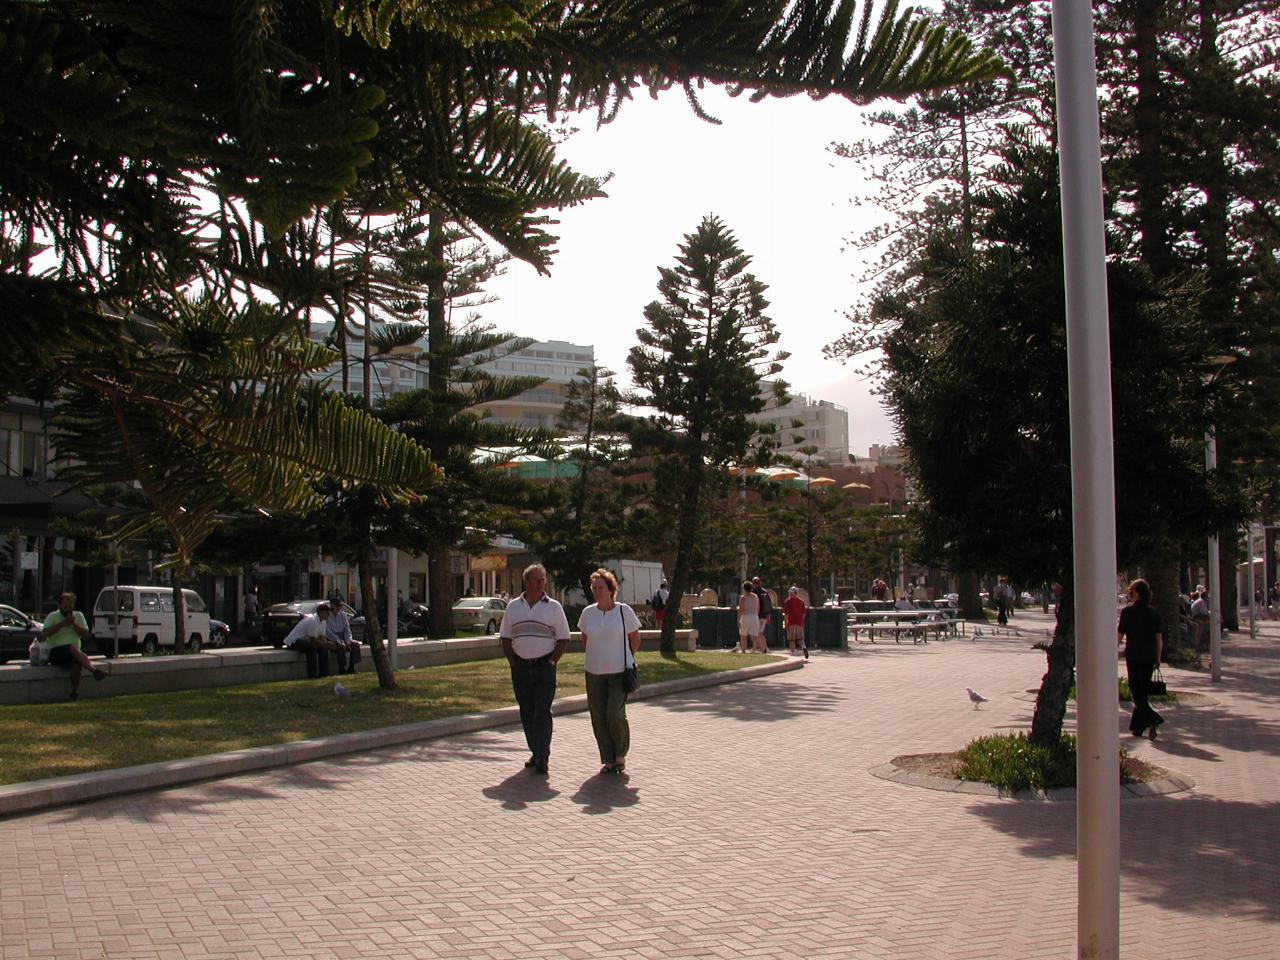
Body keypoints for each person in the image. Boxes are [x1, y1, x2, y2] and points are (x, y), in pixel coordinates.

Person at [500, 563, 571, 775]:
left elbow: (563, 638)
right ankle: (536, 750)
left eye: (543, 580)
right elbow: (505, 636)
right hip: (521, 668)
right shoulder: (513, 606)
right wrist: (513, 663)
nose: (541, 584)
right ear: (526, 582)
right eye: (537, 580)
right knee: (527, 712)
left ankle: (543, 756)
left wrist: (551, 662)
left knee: (542, 711)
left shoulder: (554, 607)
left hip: (544, 668)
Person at [577, 569, 642, 775]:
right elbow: (585, 639)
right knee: (598, 716)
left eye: (601, 588)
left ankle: (620, 753)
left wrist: (626, 656)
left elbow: (634, 638)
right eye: (594, 588)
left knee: (614, 713)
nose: (597, 592)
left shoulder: (624, 611)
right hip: (594, 672)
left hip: (619, 672)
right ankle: (608, 759)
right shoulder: (588, 613)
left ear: (611, 589)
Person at [1117, 578, 1164, 739]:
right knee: (1142, 691)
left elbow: (1119, 635)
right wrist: (1158, 657)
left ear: (1136, 593)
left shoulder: (1127, 612)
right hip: (1149, 656)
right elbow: (1159, 638)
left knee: (1136, 690)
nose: (1129, 595)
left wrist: (1112, 652)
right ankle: (1137, 728)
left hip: (1134, 656)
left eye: (1130, 592)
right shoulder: (1154, 613)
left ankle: (1154, 719)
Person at [42, 592, 107, 701]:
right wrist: (63, 623)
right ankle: (94, 671)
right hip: (56, 652)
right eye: (65, 607)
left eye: (70, 607)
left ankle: (74, 692)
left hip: (74, 653)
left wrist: (73, 624)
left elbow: (86, 634)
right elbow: (45, 634)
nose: (67, 609)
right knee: (71, 648)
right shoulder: (53, 616)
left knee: (76, 666)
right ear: (60, 606)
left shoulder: (79, 616)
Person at [282, 602, 334, 679]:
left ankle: (324, 673)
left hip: (306, 640)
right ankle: (312, 675)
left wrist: (327, 644)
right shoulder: (312, 621)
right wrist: (325, 644)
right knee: (311, 647)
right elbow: (312, 640)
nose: (329, 614)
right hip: (295, 641)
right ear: (321, 612)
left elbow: (322, 637)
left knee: (323, 648)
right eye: (327, 612)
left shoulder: (323, 622)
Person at [325, 600, 361, 675]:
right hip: (332, 638)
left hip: (343, 637)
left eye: (339, 606)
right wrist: (339, 640)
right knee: (341, 647)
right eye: (336, 606)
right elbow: (328, 632)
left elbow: (347, 629)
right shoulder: (327, 616)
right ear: (332, 606)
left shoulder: (343, 615)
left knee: (355, 645)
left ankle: (351, 667)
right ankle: (341, 668)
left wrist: (348, 641)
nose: (338, 608)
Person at [783, 585, 808, 659]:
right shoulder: (801, 601)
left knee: (791, 639)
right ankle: (803, 647)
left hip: (791, 622)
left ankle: (792, 653)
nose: (789, 594)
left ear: (793, 593)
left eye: (790, 593)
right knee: (800, 639)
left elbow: (786, 614)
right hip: (800, 622)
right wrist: (802, 621)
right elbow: (804, 614)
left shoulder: (788, 601)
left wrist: (786, 623)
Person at [736, 580, 759, 653]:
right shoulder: (755, 597)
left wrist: (738, 620)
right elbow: (758, 607)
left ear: (744, 588)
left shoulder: (743, 598)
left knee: (743, 635)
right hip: (754, 616)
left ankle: (743, 650)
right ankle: (754, 649)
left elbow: (741, 609)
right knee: (754, 635)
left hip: (745, 616)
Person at [752, 576, 772, 654]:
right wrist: (769, 615)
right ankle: (759, 648)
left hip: (757, 615)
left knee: (757, 633)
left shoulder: (754, 592)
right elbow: (769, 604)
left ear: (753, 584)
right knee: (759, 633)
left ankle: (765, 648)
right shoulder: (765, 592)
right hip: (765, 615)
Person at [1189, 587, 1210, 651]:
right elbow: (1204, 613)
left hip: (1198, 616)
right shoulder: (1201, 602)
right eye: (1207, 597)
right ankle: (1203, 643)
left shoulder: (1202, 602)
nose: (1208, 598)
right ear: (1205, 597)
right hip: (1196, 616)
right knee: (1209, 622)